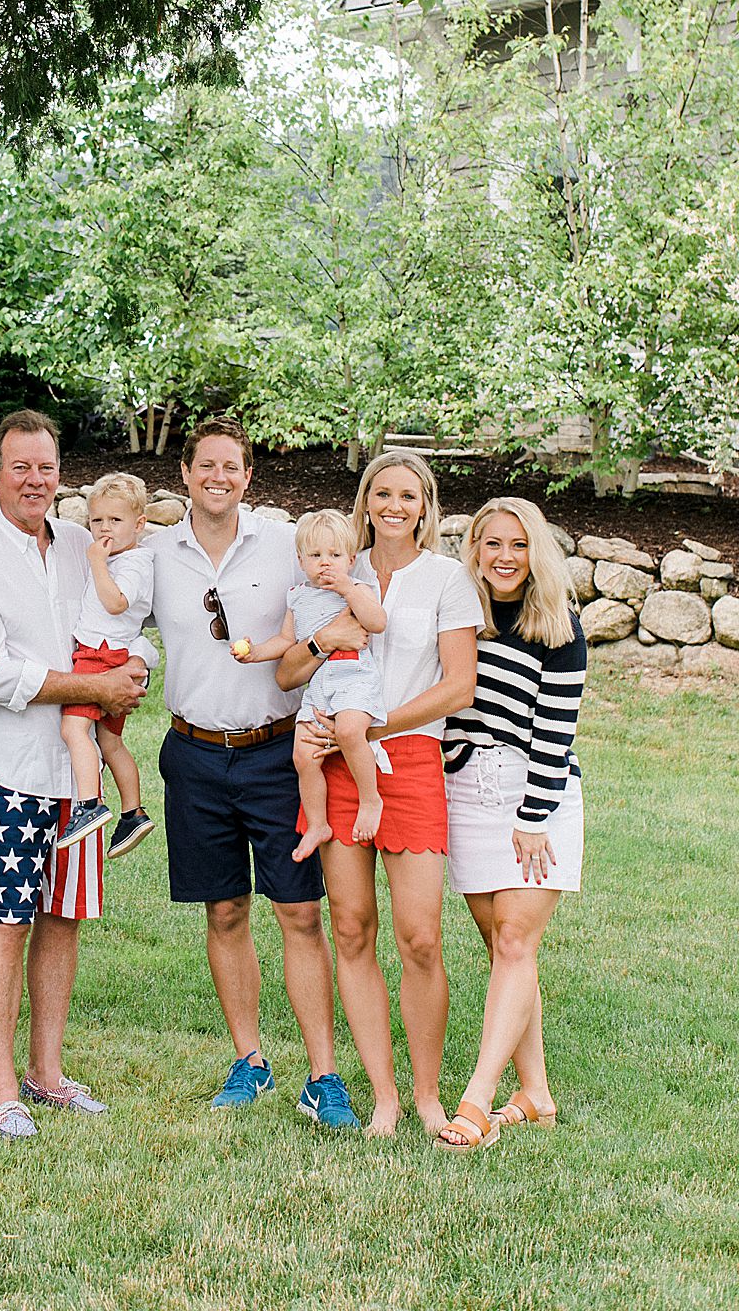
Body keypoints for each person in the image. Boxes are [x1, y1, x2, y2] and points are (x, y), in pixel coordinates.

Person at [145, 416, 362, 1126]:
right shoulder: (157, 553)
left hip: (278, 752)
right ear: (184, 473)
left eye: (230, 466)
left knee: (299, 912)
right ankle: (251, 1060)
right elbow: (114, 624)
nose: (217, 477)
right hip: (194, 751)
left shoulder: (284, 543)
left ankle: (323, 1076)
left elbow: (340, 600)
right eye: (205, 465)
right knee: (225, 909)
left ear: (247, 476)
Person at [0, 410, 149, 1140]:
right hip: (13, 768)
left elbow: (120, 628)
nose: (36, 481)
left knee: (62, 920)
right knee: (7, 921)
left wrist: (131, 670)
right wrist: (94, 688)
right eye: (21, 468)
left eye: (47, 468)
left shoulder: (81, 545)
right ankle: (0, 1092)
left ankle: (46, 1073)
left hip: (79, 771)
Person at [282, 449, 480, 1135]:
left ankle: (427, 1095)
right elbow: (287, 668)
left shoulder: (447, 579)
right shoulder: (336, 563)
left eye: (409, 496)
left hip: (413, 761)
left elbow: (460, 685)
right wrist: (324, 714)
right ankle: (386, 1097)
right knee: (351, 927)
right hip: (336, 769)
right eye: (382, 494)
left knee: (421, 935)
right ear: (365, 501)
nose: (395, 506)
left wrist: (367, 729)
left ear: (426, 507)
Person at [436, 497, 587, 1150]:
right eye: (491, 542)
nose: (503, 556)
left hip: (537, 796)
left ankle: (477, 1101)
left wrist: (533, 816)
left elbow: (556, 732)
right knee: (502, 949)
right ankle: (538, 1094)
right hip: (465, 793)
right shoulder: (458, 614)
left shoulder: (558, 625)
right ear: (474, 547)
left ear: (536, 553)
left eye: (518, 545)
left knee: (518, 943)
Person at [232, 507, 389, 856]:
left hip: (354, 678)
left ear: (351, 558)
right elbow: (287, 641)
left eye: (335, 555)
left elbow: (377, 622)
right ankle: (318, 823)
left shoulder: (359, 589)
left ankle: (370, 799)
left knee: (349, 732)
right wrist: (255, 652)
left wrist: (349, 589)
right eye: (316, 556)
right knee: (303, 755)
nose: (326, 563)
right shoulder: (297, 595)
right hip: (318, 686)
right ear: (301, 560)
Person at [58, 472, 156, 855]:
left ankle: (88, 804)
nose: (104, 528)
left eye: (115, 520)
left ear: (139, 524)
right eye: (97, 520)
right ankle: (133, 813)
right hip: (113, 652)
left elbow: (117, 602)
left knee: (72, 729)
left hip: (99, 656)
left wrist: (98, 562)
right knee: (111, 739)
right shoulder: (122, 557)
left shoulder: (132, 563)